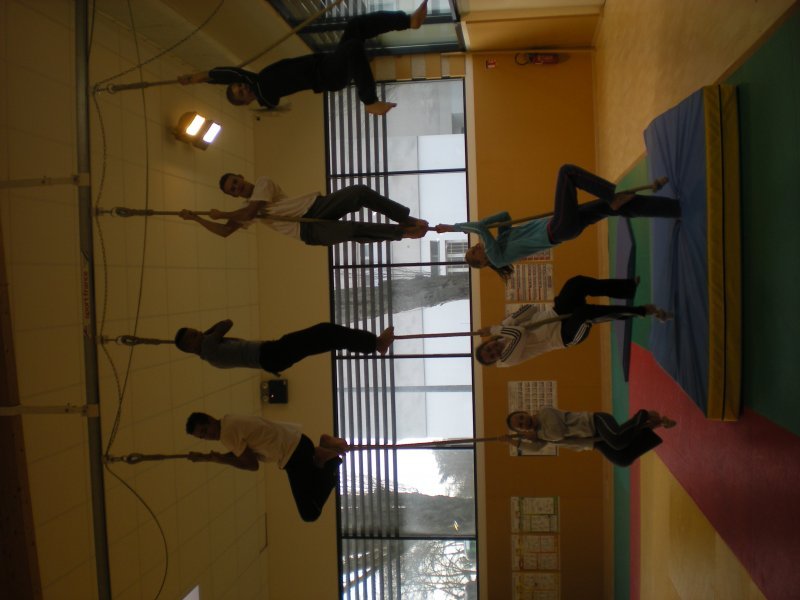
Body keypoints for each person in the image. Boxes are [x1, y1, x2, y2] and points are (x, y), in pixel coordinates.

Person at [178, 2, 429, 116]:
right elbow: (233, 73)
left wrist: (203, 78)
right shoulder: (265, 92)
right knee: (353, 46)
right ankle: (369, 101)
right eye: (241, 92)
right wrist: (200, 77)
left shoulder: (260, 82)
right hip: (327, 75)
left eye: (239, 86)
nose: (243, 86)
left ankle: (409, 21)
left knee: (356, 26)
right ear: (246, 102)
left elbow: (236, 76)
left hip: (325, 64)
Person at [435, 164, 680, 279]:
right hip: (558, 229)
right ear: (483, 262)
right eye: (475, 252)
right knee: (567, 172)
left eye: (473, 247)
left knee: (611, 209)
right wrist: (453, 228)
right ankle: (613, 196)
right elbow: (479, 227)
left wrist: (487, 226)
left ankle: (672, 209)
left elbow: (504, 216)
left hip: (561, 226)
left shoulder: (502, 240)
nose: (477, 246)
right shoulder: (497, 257)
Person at [474, 275, 671, 367]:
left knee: (575, 283)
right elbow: (519, 334)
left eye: (489, 349)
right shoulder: (507, 359)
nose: (494, 351)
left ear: (488, 343)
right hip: (564, 335)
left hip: (556, 313)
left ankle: (626, 288)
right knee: (586, 314)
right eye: (492, 356)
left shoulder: (504, 330)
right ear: (495, 361)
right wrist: (495, 329)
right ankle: (644, 311)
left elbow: (531, 309)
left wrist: (508, 321)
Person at [186, 412, 349, 521]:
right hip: (300, 444)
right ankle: (323, 449)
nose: (208, 436)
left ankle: (330, 459)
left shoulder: (227, 435)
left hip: (294, 455)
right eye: (202, 436)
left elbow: (251, 465)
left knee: (310, 513)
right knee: (315, 486)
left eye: (205, 430)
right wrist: (209, 458)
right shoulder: (229, 420)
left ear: (209, 419)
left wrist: (220, 460)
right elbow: (243, 454)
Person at [179, 173, 429, 244]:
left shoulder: (263, 184)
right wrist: (196, 219)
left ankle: (406, 220)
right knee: (351, 230)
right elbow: (225, 232)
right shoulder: (244, 210)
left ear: (241, 177)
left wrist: (222, 213)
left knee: (359, 193)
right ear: (233, 195)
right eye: (233, 190)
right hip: (306, 230)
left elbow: (251, 212)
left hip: (314, 207)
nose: (237, 187)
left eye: (235, 182)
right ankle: (403, 233)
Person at [175, 319, 395, 375]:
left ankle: (374, 345)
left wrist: (204, 336)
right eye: (194, 336)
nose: (199, 334)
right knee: (324, 332)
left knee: (325, 339)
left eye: (196, 331)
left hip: (272, 358)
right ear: (190, 347)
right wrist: (207, 333)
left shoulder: (210, 357)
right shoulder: (208, 346)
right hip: (270, 354)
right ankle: (376, 343)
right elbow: (226, 323)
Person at [506, 407, 676, 467]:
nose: (523, 422)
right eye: (520, 425)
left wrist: (537, 435)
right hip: (594, 442)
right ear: (522, 430)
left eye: (521, 417)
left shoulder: (544, 414)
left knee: (617, 441)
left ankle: (644, 415)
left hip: (596, 423)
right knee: (622, 458)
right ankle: (650, 427)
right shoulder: (541, 435)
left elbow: (559, 432)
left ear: (524, 412)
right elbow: (535, 448)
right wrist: (511, 441)